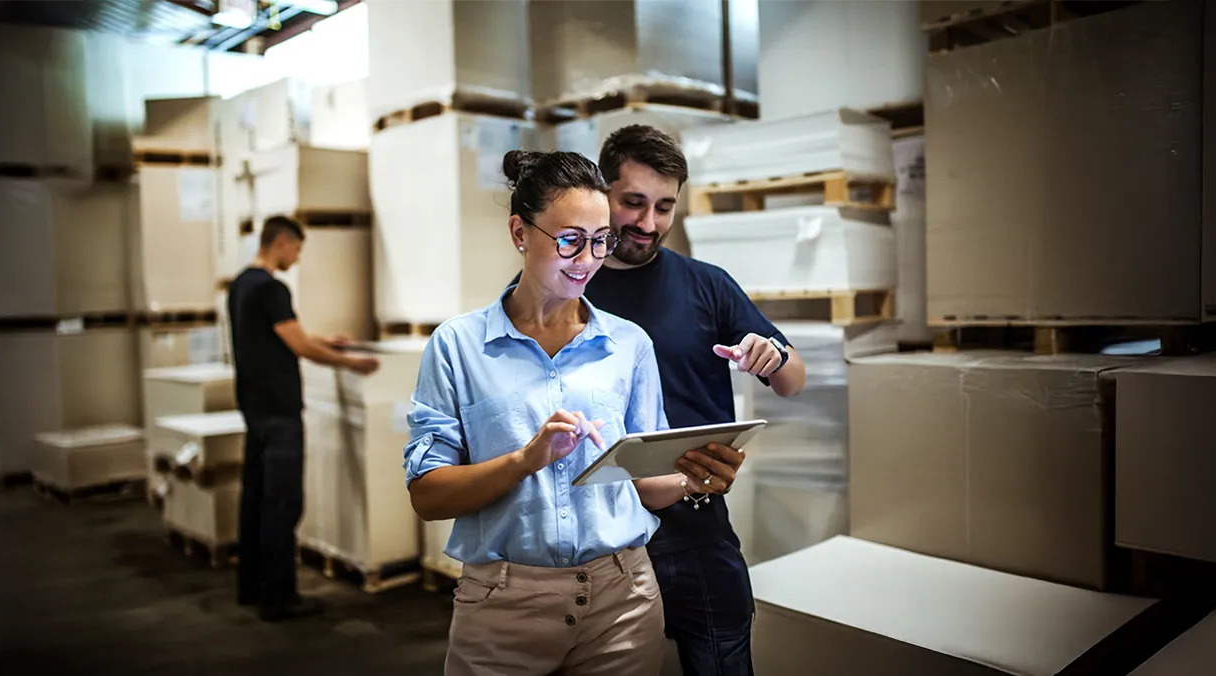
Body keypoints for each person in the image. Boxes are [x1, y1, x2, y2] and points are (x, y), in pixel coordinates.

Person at [512, 125, 808, 674]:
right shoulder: (564, 283)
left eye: (665, 206)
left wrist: (772, 355)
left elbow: (793, 380)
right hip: (595, 540)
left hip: (694, 530)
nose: (649, 224)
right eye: (633, 203)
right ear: (603, 194)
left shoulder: (707, 284)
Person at [404, 150, 709, 675]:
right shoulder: (458, 346)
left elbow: (642, 483)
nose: (587, 259)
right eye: (570, 239)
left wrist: (693, 478)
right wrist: (525, 459)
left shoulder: (628, 344)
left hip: (624, 599)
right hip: (503, 607)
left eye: (600, 240)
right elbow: (428, 497)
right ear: (520, 233)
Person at [227, 215, 379, 623]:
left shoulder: (241, 284)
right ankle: (279, 598)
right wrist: (349, 362)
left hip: (254, 409)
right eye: (295, 248)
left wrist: (323, 340)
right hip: (279, 412)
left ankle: (250, 587)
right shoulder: (272, 288)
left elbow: (278, 336)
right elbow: (298, 347)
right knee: (283, 503)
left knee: (255, 499)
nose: (296, 256)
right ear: (280, 242)